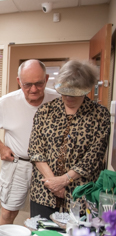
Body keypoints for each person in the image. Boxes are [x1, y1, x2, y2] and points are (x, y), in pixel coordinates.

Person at [28, 60, 110, 218]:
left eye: (74, 94)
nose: (68, 98)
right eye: (64, 93)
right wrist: (54, 183)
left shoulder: (100, 115)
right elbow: (35, 151)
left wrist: (65, 180)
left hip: (80, 191)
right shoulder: (45, 111)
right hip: (44, 189)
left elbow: (94, 156)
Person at [0, 60, 59, 226]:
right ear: (19, 81)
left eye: (39, 83)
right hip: (19, 164)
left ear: (46, 79)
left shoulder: (58, 100)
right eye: (27, 84)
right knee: (8, 212)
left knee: (47, 215)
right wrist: (1, 147)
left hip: (49, 167)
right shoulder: (7, 102)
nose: (33, 89)